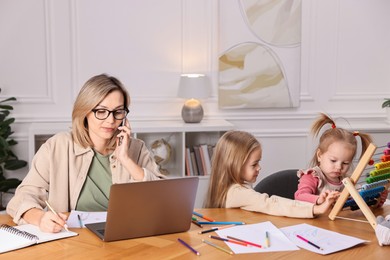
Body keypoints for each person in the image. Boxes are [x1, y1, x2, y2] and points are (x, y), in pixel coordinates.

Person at [7, 74, 164, 232]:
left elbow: (162, 199)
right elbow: (23, 197)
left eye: (118, 112)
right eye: (101, 111)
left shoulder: (136, 148)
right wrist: (40, 218)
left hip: (126, 236)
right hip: (74, 241)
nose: (111, 120)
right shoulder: (57, 146)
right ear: (85, 112)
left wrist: (125, 159)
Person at [204, 130, 338, 218]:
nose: (259, 168)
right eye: (254, 164)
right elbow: (273, 204)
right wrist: (316, 209)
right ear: (234, 165)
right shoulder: (237, 193)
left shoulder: (225, 189)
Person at [294, 113, 372, 205]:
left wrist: (376, 199)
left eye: (346, 163)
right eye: (333, 160)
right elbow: (299, 196)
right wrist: (319, 199)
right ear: (319, 155)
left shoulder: (346, 180)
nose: (339, 167)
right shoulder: (312, 177)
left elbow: (358, 199)